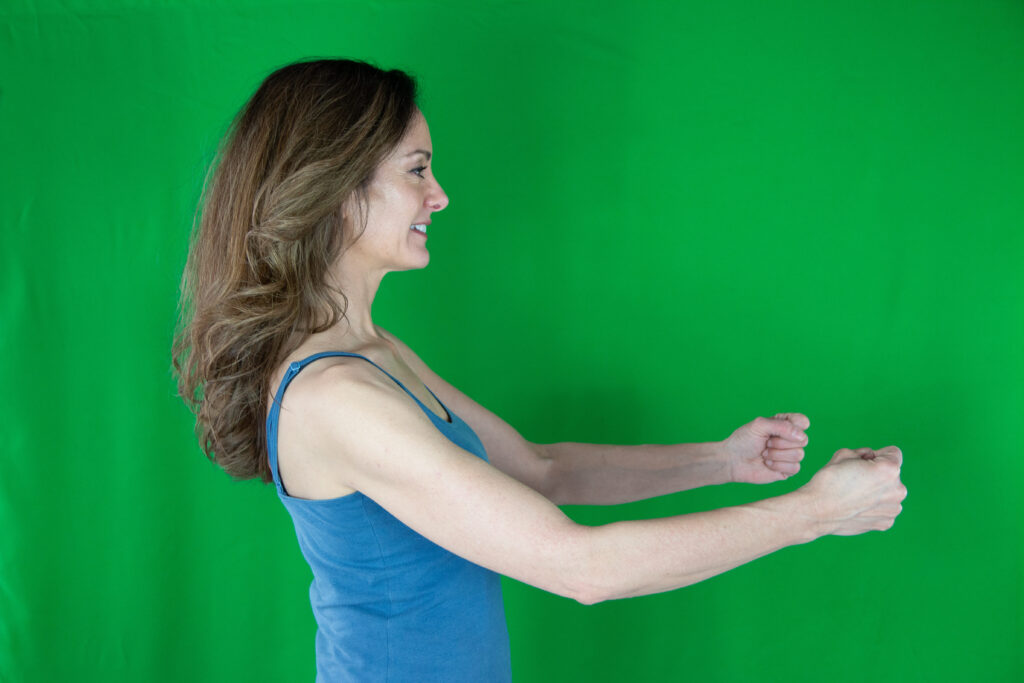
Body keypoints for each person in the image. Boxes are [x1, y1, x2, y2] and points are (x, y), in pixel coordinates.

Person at [172, 58, 907, 682]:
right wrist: (817, 513)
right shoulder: (335, 397)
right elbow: (581, 567)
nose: (441, 195)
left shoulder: (373, 354)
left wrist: (723, 459)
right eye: (417, 170)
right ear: (334, 187)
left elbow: (542, 467)